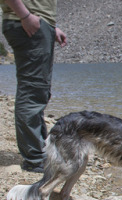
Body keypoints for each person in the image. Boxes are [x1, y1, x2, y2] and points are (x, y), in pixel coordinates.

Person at [1, 0, 66, 172]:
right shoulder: (26, 19)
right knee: (32, 91)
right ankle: (35, 159)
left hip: (37, 22)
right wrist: (25, 15)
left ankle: (41, 152)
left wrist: (51, 26)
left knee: (39, 91)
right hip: (26, 21)